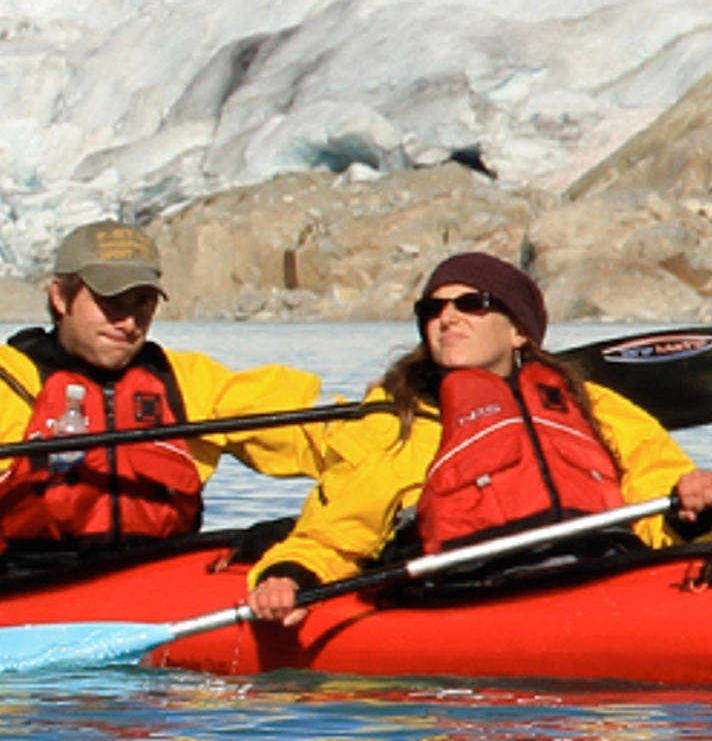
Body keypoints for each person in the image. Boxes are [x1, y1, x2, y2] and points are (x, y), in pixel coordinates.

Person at [0, 221, 342, 576]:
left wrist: (401, 432)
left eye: (141, 302)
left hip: (158, 587)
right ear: (60, 296)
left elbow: (322, 433)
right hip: (20, 597)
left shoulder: (189, 383)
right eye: (110, 301)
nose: (128, 320)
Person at [248, 252, 712, 620]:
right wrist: (290, 574)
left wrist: (693, 506)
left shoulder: (593, 407)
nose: (448, 318)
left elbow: (656, 496)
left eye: (472, 304)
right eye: (433, 309)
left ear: (518, 333)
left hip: (605, 574)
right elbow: (342, 528)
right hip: (473, 592)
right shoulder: (401, 421)